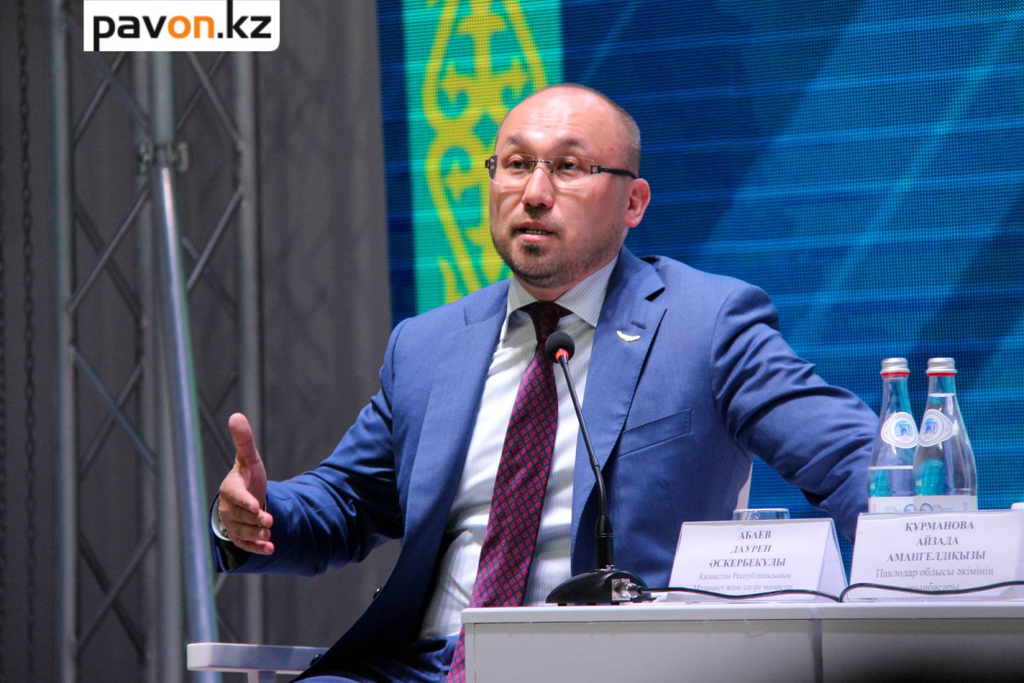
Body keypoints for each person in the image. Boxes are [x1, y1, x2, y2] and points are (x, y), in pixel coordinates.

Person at [212, 83, 876, 681]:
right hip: (424, 666)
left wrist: (914, 549)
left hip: (608, 663)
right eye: (515, 163)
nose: (533, 192)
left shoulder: (705, 324)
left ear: (633, 201)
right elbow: (346, 504)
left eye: (567, 167)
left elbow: (847, 456)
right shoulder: (427, 345)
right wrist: (257, 512)